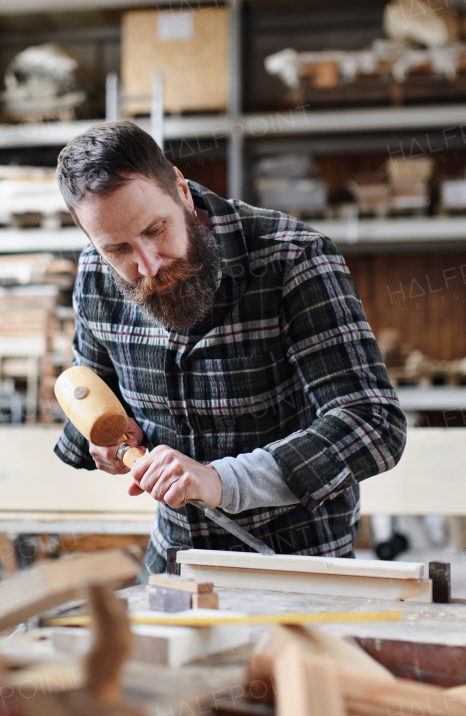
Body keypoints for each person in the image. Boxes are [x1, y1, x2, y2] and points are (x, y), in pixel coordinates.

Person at [53, 121, 406, 572]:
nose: (148, 265)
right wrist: (105, 444)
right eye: (118, 249)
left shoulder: (293, 258)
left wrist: (220, 480)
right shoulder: (97, 274)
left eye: (156, 229)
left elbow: (373, 423)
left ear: (181, 190)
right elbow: (90, 388)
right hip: (179, 556)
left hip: (299, 562)